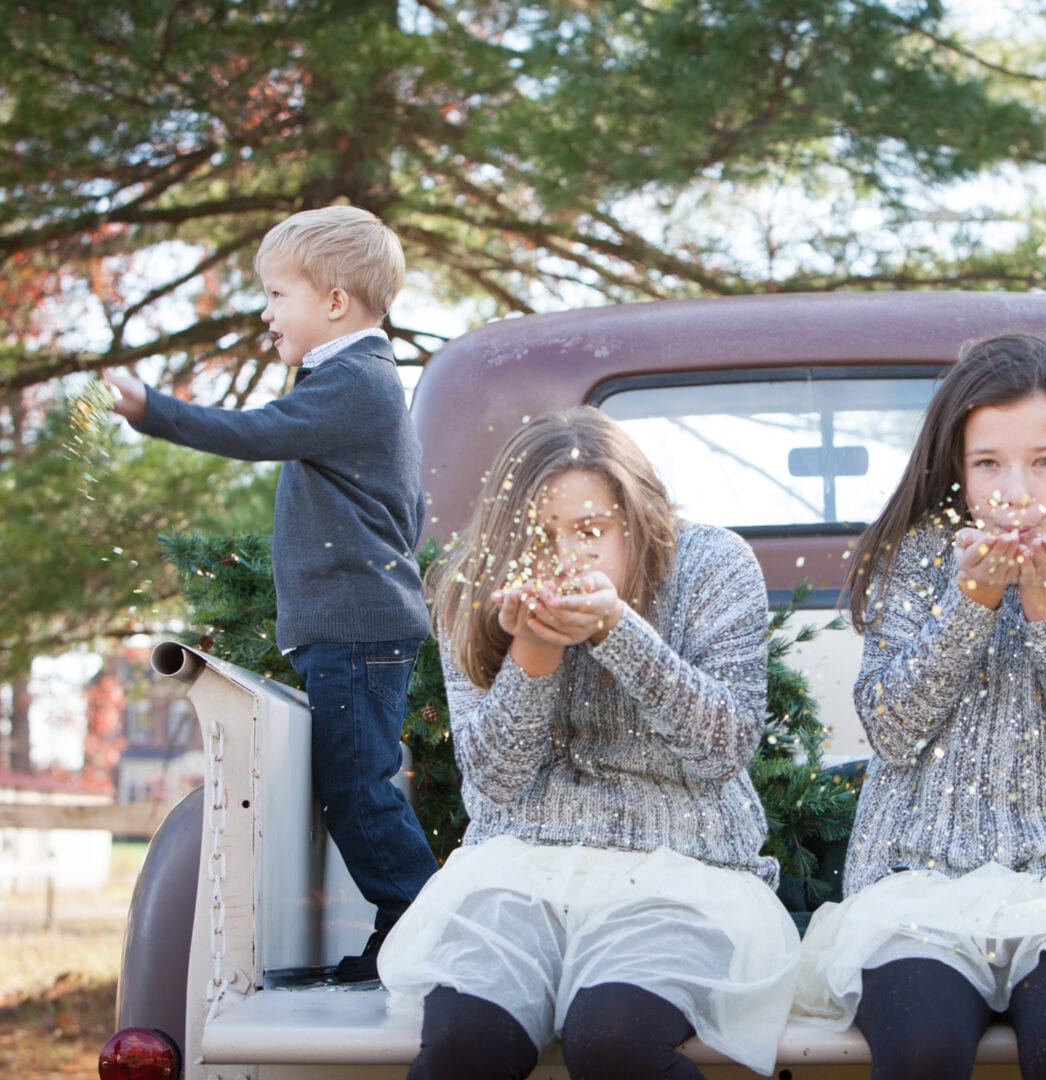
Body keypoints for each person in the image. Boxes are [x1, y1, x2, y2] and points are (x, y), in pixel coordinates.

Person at [794, 333, 1046, 1080]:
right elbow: (890, 726)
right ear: (956, 468)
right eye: (989, 464)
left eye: (1045, 461)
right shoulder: (919, 550)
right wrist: (972, 599)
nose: (1017, 490)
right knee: (920, 1048)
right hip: (919, 881)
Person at [378, 406, 800, 1080]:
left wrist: (618, 632)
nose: (565, 557)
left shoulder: (712, 564)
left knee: (614, 1040)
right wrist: (533, 650)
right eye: (541, 536)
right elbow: (491, 783)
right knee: (464, 1044)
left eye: (590, 531)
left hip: (684, 872)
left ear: (635, 522)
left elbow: (725, 747)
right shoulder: (476, 585)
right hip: (517, 868)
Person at [106, 204, 439, 983]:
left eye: (278, 295)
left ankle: (421, 926)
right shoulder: (355, 382)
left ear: (334, 301)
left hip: (357, 624)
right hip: (354, 621)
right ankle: (411, 924)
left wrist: (153, 411)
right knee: (354, 782)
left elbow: (257, 433)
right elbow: (409, 509)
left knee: (357, 786)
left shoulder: (354, 383)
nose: (266, 313)